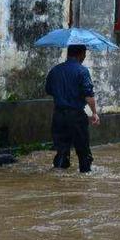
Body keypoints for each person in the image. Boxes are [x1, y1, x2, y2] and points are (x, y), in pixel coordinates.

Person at [45, 44, 100, 172]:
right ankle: (85, 177)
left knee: (62, 151)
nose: (85, 57)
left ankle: (58, 176)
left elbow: (49, 90)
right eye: (84, 54)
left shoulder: (55, 70)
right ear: (80, 54)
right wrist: (94, 113)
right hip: (76, 116)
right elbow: (88, 95)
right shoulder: (82, 71)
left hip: (58, 116)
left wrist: (62, 94)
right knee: (83, 151)